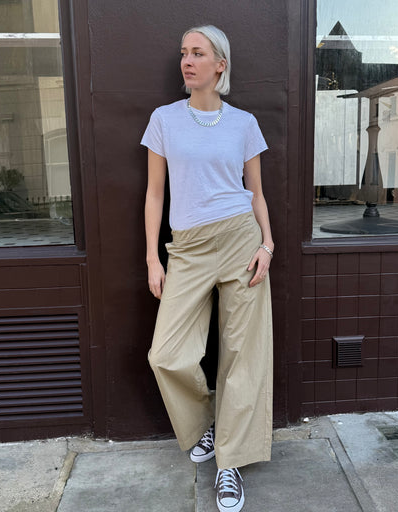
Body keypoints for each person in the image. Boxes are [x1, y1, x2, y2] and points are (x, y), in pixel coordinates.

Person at [141, 25, 273, 512]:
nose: (187, 60)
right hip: (189, 248)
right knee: (166, 354)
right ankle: (207, 426)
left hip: (241, 239)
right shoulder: (164, 119)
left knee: (243, 355)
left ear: (221, 65)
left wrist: (268, 245)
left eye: (198, 53)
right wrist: (153, 257)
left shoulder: (244, 123)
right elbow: (155, 193)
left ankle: (229, 464)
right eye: (184, 52)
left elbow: (256, 193)